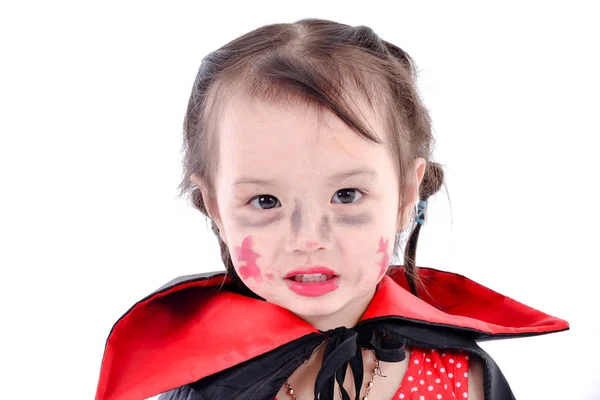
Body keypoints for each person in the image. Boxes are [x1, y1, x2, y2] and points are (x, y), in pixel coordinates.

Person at [94, 18, 569, 400]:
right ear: (214, 208)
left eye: (346, 196)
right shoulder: (203, 380)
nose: (307, 238)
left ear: (406, 197)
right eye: (265, 201)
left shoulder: (461, 382)